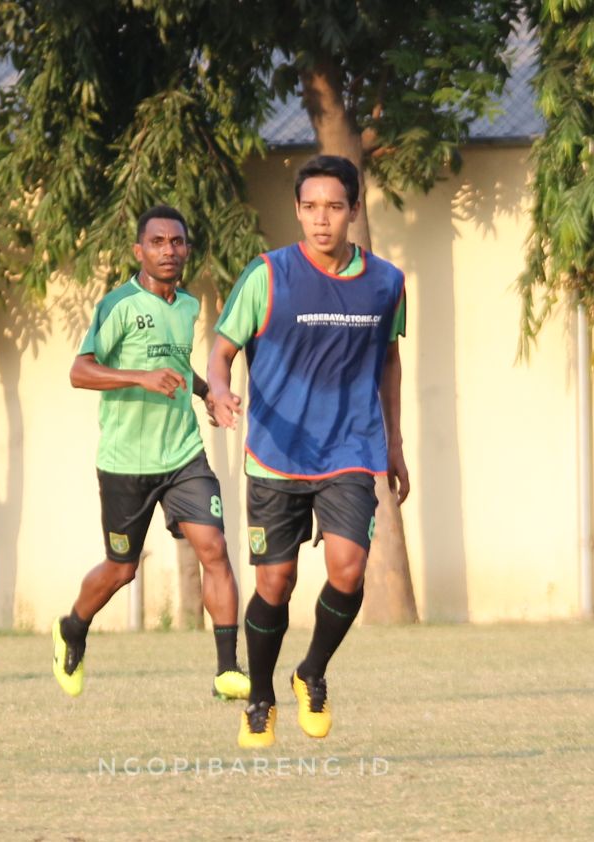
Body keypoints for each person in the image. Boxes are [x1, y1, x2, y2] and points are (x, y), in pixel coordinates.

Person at [205, 155, 409, 748]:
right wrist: (219, 391)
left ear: (353, 210)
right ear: (297, 210)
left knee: (348, 569)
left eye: (335, 207)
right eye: (311, 207)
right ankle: (262, 696)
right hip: (275, 451)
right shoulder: (267, 276)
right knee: (276, 582)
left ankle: (312, 672)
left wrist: (394, 442)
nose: (322, 219)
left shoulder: (387, 282)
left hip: (350, 448)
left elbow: (389, 358)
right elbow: (221, 353)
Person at [52, 205, 250, 702]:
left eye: (177, 242)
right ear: (139, 251)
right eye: (158, 242)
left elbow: (176, 365)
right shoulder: (119, 305)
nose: (169, 250)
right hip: (125, 463)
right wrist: (139, 377)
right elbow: (80, 371)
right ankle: (73, 629)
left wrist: (209, 394)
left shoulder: (186, 306)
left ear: (186, 250)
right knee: (122, 569)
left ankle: (228, 669)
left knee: (214, 550)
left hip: (183, 455)